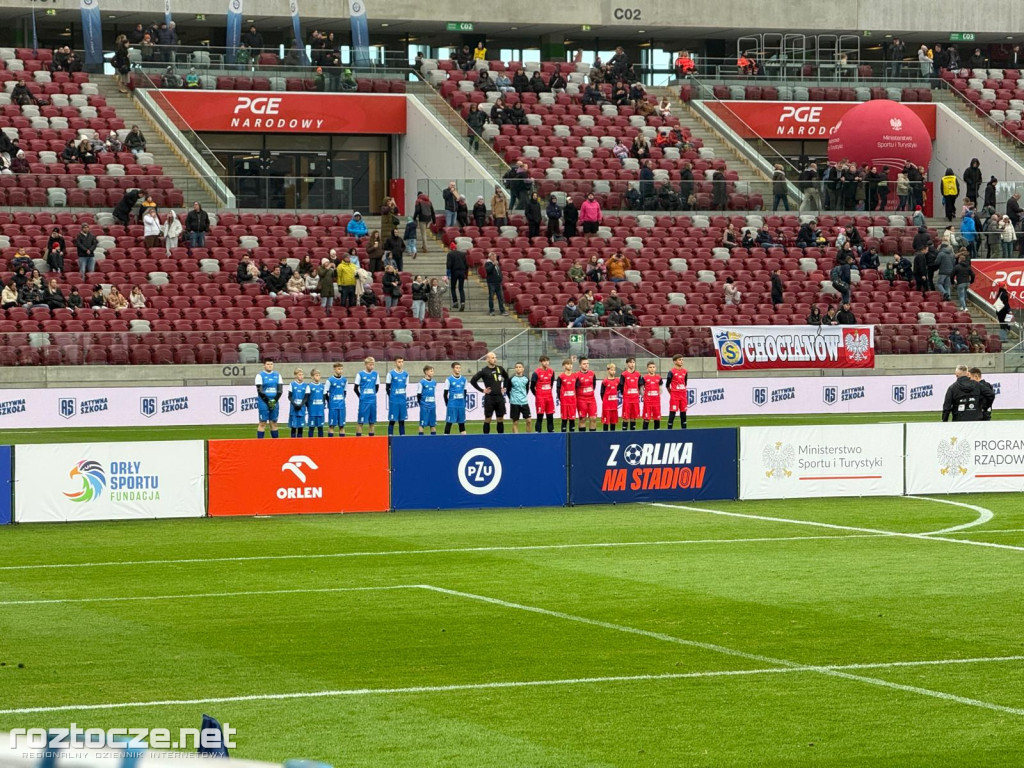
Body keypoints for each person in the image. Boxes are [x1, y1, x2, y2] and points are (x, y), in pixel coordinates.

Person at [470, 351, 510, 434]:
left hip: (499, 397)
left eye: (495, 357)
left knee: (500, 418)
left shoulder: (500, 368)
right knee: (488, 419)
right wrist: (482, 390)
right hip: (489, 398)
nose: (495, 359)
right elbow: (473, 381)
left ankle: (500, 437)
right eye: (492, 358)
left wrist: (505, 387)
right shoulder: (484, 371)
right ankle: (486, 438)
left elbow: (506, 377)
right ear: (487, 359)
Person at [255, 359, 282, 439]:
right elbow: (260, 391)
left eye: (271, 364)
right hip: (263, 402)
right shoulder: (260, 375)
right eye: (268, 364)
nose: (270, 366)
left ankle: (276, 444)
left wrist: (274, 400)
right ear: (264, 365)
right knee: (262, 423)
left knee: (273, 422)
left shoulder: (277, 375)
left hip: (274, 401)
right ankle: (260, 444)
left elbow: (280, 390)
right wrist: (268, 401)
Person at [354, 356, 379, 437]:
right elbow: (355, 388)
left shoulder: (375, 374)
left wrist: (373, 395)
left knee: (372, 422)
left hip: (372, 401)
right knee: (360, 422)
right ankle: (358, 441)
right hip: (364, 401)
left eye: (373, 364)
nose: (372, 366)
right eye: (370, 364)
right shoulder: (360, 374)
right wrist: (361, 397)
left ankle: (371, 441)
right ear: (365, 364)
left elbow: (377, 387)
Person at [530, 356, 556, 433]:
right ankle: (538, 433)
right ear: (541, 362)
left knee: (550, 416)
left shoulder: (551, 372)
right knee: (540, 416)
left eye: (547, 361)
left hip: (549, 397)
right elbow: (532, 387)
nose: (546, 363)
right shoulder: (536, 373)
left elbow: (551, 384)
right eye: (544, 361)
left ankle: (551, 432)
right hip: (540, 398)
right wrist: (537, 395)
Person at [385, 357, 409, 436]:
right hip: (394, 401)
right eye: (399, 362)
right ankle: (390, 440)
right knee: (392, 420)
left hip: (402, 401)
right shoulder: (390, 374)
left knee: (402, 420)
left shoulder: (406, 374)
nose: (401, 363)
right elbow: (387, 388)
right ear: (395, 363)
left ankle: (403, 438)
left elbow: (405, 386)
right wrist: (392, 397)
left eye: (402, 362)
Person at [443, 362, 468, 435]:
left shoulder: (464, 379)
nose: (458, 369)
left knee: (462, 423)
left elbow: (465, 392)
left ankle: (464, 440)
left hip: (461, 405)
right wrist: (448, 404)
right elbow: (445, 394)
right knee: (449, 422)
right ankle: (445, 440)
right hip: (452, 404)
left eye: (459, 368)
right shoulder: (449, 379)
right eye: (457, 368)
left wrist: (463, 402)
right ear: (453, 369)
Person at [664, 355, 688, 429]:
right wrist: (672, 393)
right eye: (679, 360)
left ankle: (684, 431)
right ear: (675, 361)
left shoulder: (685, 371)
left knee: (683, 414)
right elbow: (667, 385)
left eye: (682, 360)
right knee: (672, 413)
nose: (681, 361)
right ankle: (669, 431)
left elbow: (685, 383)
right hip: (675, 396)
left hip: (683, 396)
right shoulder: (671, 372)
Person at [554, 358, 578, 433]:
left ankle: (572, 436)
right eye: (568, 364)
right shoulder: (561, 377)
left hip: (572, 401)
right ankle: (563, 436)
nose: (570, 366)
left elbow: (577, 388)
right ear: (563, 366)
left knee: (572, 419)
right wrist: (560, 398)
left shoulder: (575, 376)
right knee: (564, 419)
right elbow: (558, 389)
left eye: (571, 364)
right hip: (564, 401)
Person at [618, 357, 642, 431]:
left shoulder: (638, 374)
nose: (632, 364)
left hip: (635, 399)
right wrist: (625, 394)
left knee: (633, 417)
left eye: (633, 362)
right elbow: (621, 386)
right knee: (626, 417)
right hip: (627, 399)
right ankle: (624, 433)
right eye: (630, 362)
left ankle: (633, 433)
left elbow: (640, 386)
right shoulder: (624, 374)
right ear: (627, 364)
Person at [508, 362, 532, 434]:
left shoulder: (526, 379)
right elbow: (508, 390)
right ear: (515, 369)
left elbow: (527, 390)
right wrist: (512, 398)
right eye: (517, 367)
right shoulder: (511, 379)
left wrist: (523, 396)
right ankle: (516, 438)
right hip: (514, 403)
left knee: (529, 421)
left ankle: (528, 438)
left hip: (524, 402)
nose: (518, 368)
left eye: (520, 367)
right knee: (515, 422)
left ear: (523, 369)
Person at [286, 368, 309, 439]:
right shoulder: (292, 384)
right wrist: (295, 404)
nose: (301, 376)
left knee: (300, 427)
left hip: (301, 409)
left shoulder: (306, 385)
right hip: (293, 409)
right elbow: (289, 396)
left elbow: (306, 397)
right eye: (299, 375)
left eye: (302, 374)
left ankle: (300, 444)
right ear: (296, 376)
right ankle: (293, 444)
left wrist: (301, 405)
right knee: (293, 427)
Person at [326, 363, 348, 437]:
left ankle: (342, 444)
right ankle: (330, 443)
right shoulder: (330, 380)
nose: (340, 370)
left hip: (341, 406)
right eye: (339, 369)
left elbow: (345, 392)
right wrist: (330, 402)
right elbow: (325, 392)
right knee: (332, 425)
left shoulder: (344, 380)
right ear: (334, 369)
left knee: (342, 426)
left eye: (341, 369)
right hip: (333, 406)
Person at [640, 361, 662, 431]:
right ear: (647, 369)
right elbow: (641, 389)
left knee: (657, 418)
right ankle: (644, 435)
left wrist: (657, 395)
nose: (652, 369)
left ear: (655, 368)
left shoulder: (659, 378)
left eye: (653, 367)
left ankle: (657, 435)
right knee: (646, 418)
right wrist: (645, 396)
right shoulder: (644, 378)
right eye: (650, 367)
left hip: (656, 402)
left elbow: (660, 389)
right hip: (648, 402)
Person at [446, 241, 468, 310]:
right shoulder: (462, 254)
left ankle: (455, 302)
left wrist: (448, 274)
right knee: (461, 288)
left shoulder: (450, 254)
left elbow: (449, 265)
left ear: (451, 248)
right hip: (462, 272)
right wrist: (466, 274)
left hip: (454, 272)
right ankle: (462, 302)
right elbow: (466, 265)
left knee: (453, 288)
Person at [305, 369, 327, 438]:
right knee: (311, 427)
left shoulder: (322, 386)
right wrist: (309, 407)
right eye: (316, 375)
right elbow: (306, 399)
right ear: (312, 377)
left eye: (319, 375)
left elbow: (324, 397)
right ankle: (310, 443)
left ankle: (321, 443)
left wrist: (323, 405)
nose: (318, 377)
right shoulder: (309, 386)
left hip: (320, 411)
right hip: (312, 411)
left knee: (320, 427)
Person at [417, 365, 438, 436]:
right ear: (426, 372)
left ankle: (433, 441)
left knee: (433, 424)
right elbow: (419, 395)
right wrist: (422, 404)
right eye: (431, 371)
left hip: (432, 406)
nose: (433, 372)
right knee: (422, 424)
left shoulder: (434, 382)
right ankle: (421, 440)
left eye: (433, 371)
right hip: (424, 406)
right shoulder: (421, 382)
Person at [601, 363, 620, 432]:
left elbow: (618, 390)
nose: (613, 371)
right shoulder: (605, 381)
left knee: (613, 422)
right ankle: (605, 437)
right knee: (606, 422)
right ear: (608, 370)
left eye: (614, 370)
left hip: (614, 405)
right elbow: (602, 393)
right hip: (607, 406)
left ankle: (613, 436)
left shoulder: (617, 381)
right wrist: (605, 401)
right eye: (612, 370)